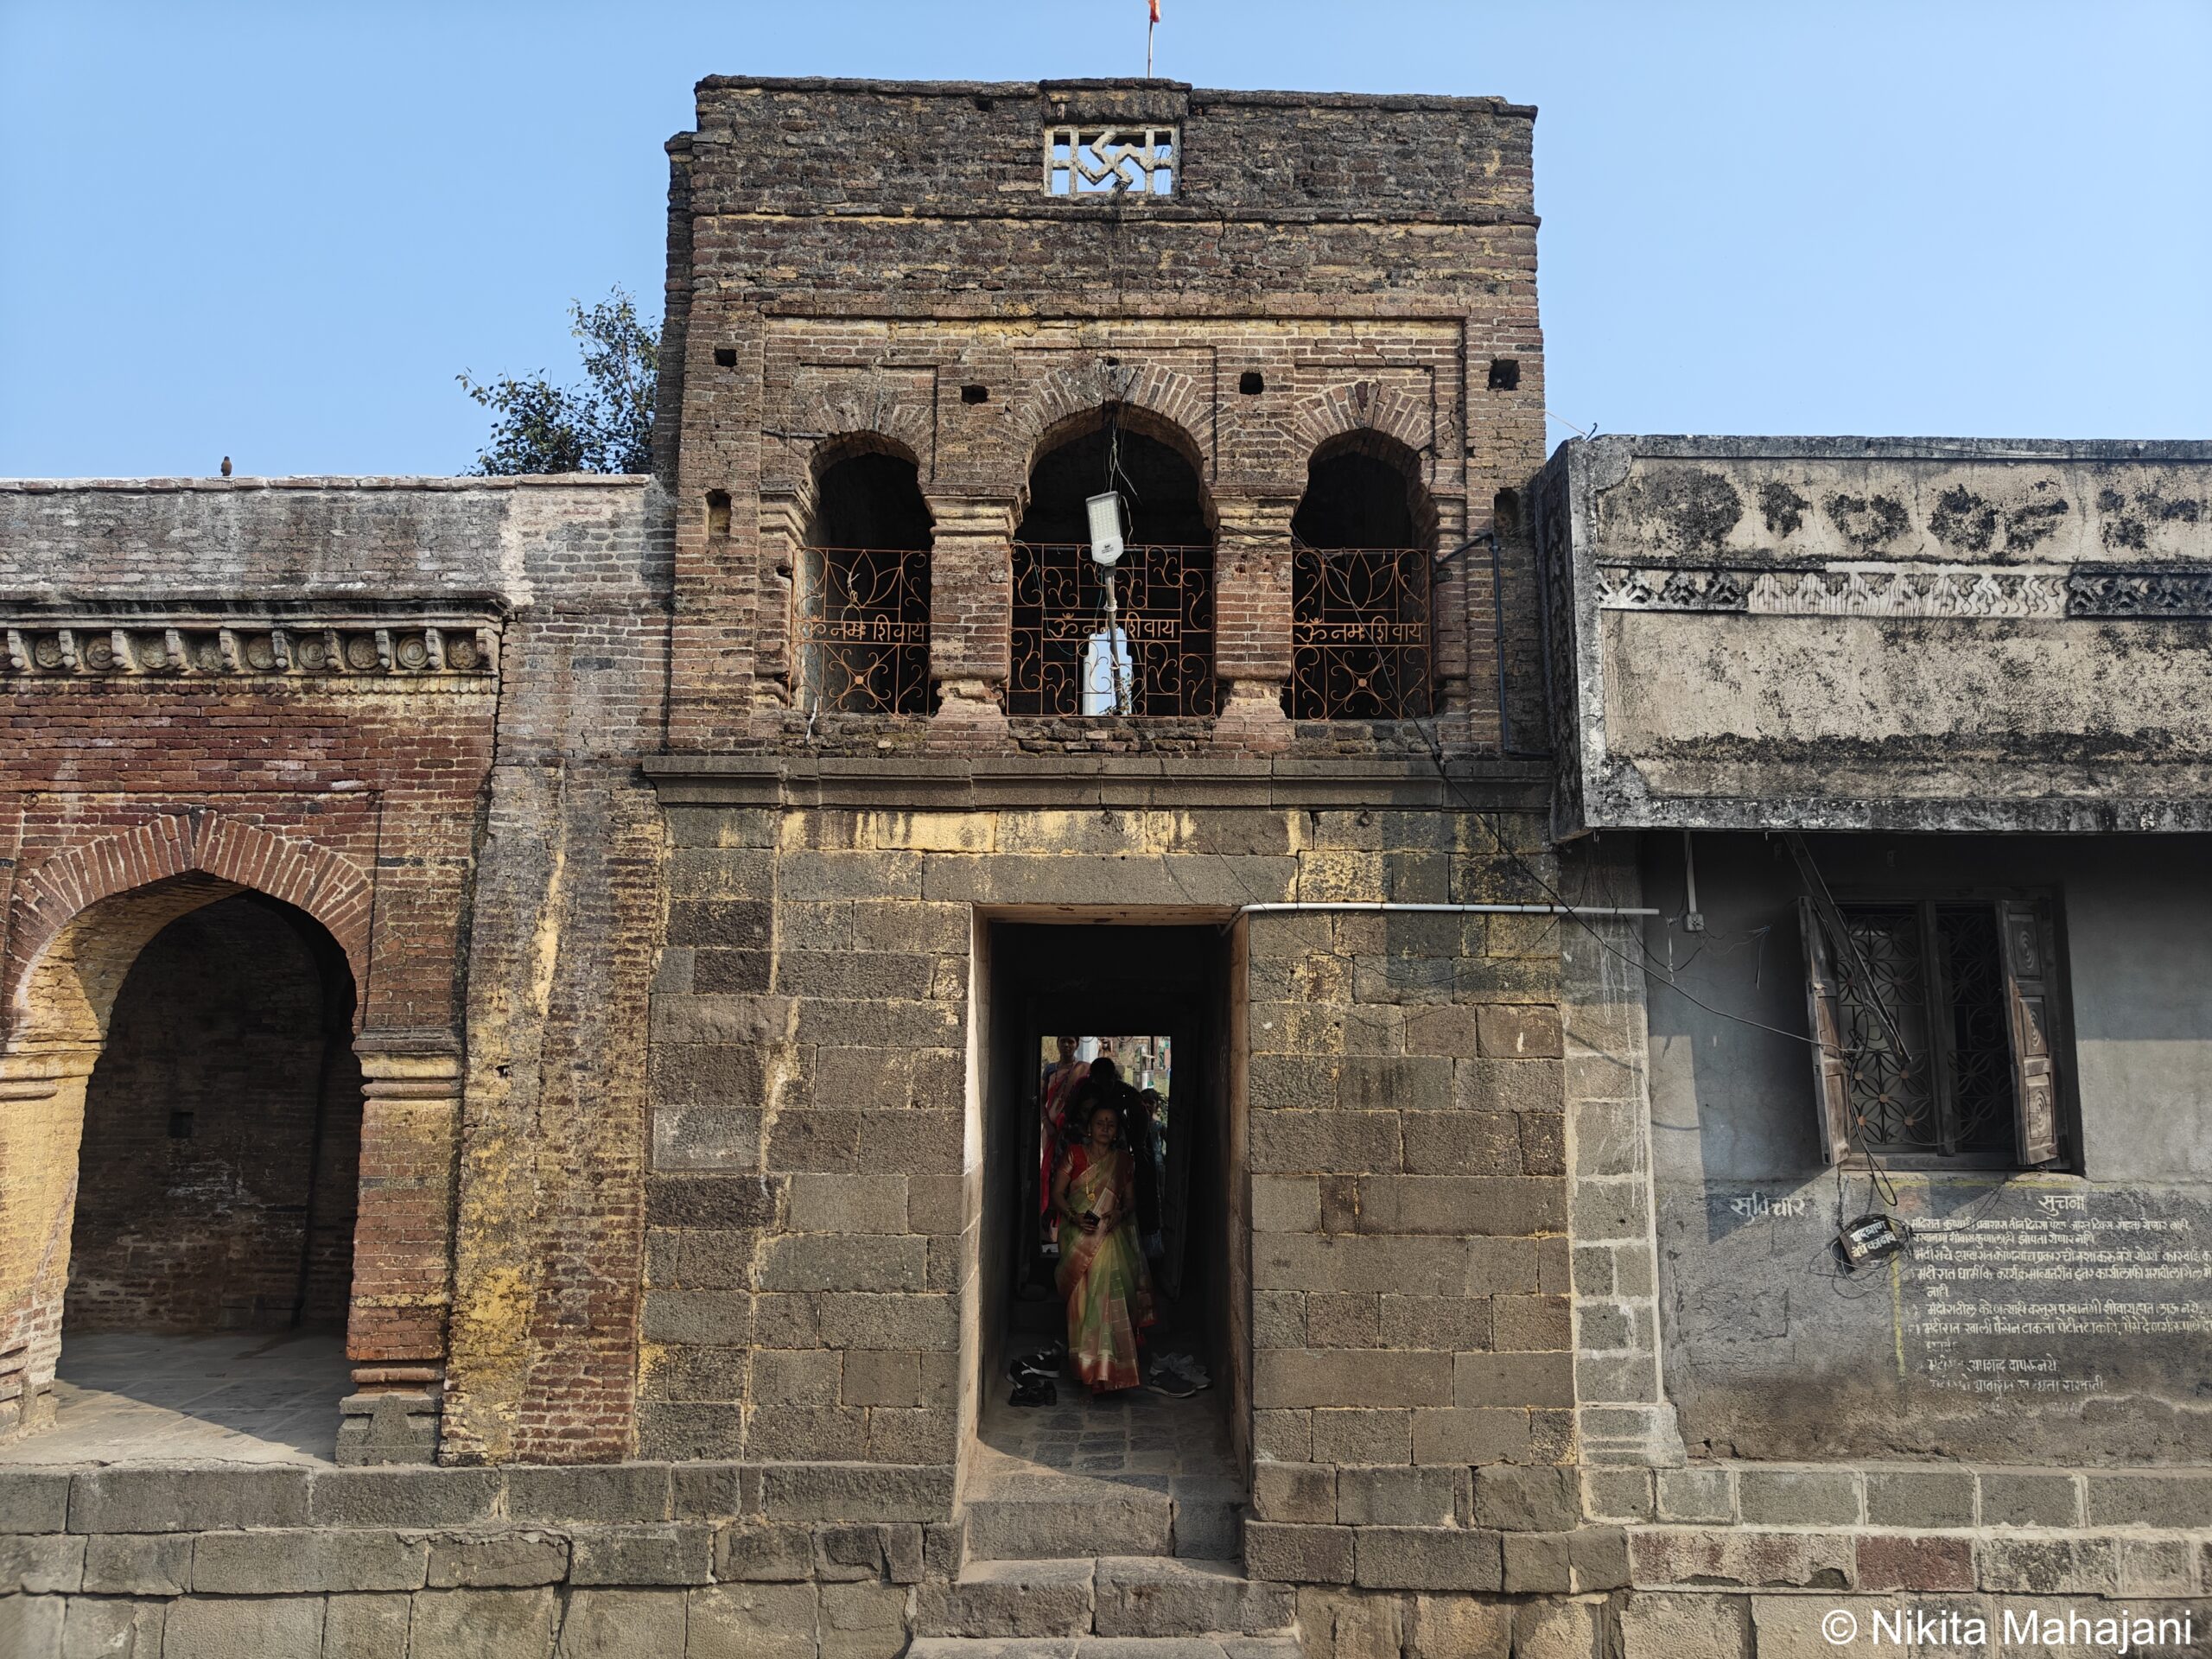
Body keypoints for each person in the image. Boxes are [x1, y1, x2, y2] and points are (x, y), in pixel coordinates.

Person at [1052, 1098, 1156, 1394]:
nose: (1105, 1129)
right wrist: (1073, 1217)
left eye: (1111, 1125)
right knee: (1082, 1304)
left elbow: (1131, 1200)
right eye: (1100, 1123)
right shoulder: (1073, 1155)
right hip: (1077, 1238)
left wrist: (1119, 1213)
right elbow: (1057, 1194)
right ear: (1089, 1128)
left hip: (1111, 1238)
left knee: (1111, 1301)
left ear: (1116, 1131)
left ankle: (1110, 1369)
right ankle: (1086, 1367)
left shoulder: (1124, 1161)